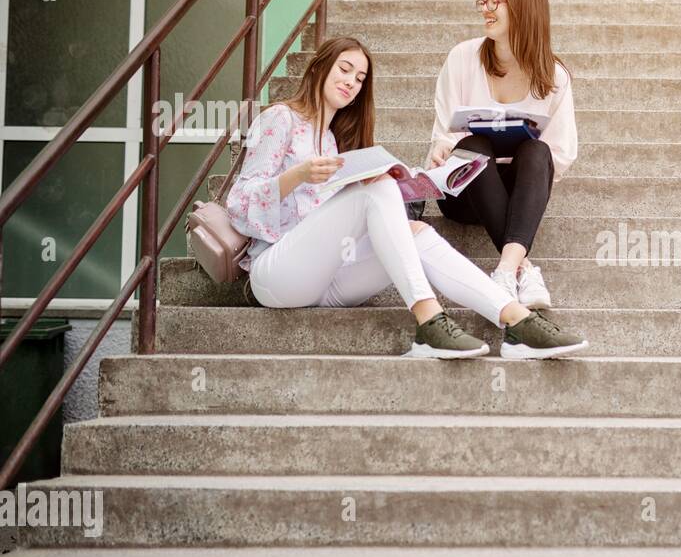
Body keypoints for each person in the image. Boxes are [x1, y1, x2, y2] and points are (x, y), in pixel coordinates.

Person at [225, 35, 588, 360]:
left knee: (418, 232)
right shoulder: (280, 119)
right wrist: (297, 175)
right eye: (345, 70)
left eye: (360, 78)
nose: (351, 82)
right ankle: (429, 318)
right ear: (319, 67)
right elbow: (239, 205)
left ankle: (516, 321)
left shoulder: (334, 141)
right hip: (277, 274)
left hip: (331, 279)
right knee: (377, 187)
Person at [421, 0, 576, 309]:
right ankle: (525, 269)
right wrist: (444, 146)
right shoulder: (462, 58)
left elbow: (560, 156)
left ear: (523, 8)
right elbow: (446, 132)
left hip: (521, 192)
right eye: (484, 1)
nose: (485, 9)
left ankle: (507, 270)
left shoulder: (553, 77)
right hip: (462, 191)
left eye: (495, 2)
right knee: (475, 147)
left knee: (538, 150)